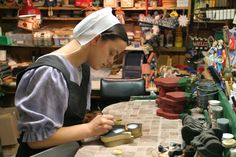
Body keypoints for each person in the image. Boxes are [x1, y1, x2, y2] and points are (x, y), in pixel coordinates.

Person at [15, 7, 128, 157]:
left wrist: (92, 121)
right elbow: (36, 140)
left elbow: (71, 120)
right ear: (95, 39)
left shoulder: (83, 69)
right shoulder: (49, 72)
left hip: (67, 151)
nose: (110, 61)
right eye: (111, 53)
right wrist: (89, 129)